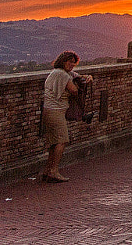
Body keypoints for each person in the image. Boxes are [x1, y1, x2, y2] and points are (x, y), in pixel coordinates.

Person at [40, 51, 88, 182]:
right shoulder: (61, 74)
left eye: (74, 62)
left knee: (53, 142)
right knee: (62, 140)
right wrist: (80, 85)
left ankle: (47, 170)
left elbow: (76, 76)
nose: (71, 64)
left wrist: (86, 77)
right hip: (55, 111)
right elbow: (74, 90)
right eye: (69, 61)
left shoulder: (60, 73)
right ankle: (53, 171)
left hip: (51, 110)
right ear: (62, 61)